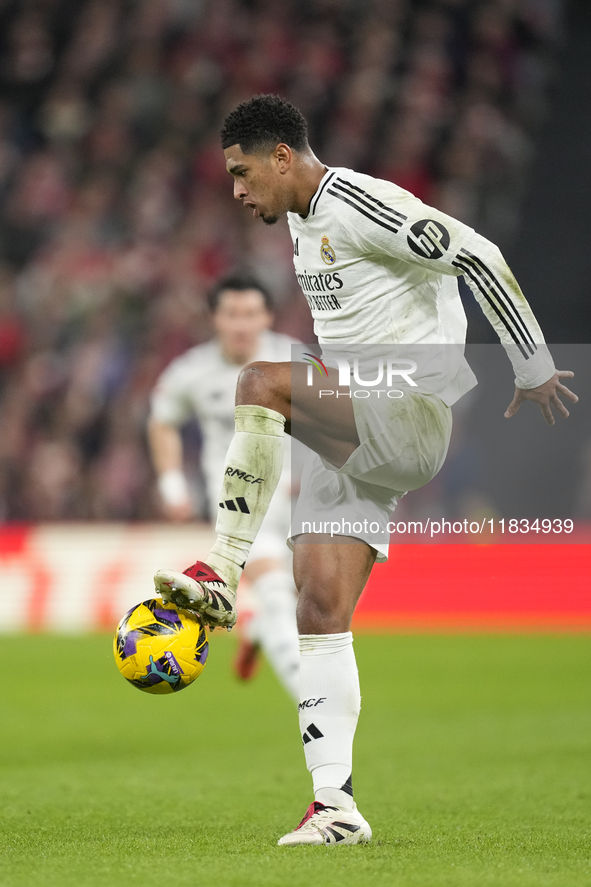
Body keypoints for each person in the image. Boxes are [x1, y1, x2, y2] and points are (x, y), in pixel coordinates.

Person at [154, 95, 578, 846]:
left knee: (260, 380)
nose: (236, 191)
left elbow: (475, 252)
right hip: (350, 426)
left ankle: (218, 570)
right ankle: (335, 808)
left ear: (282, 157)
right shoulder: (296, 219)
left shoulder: (360, 203)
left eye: (242, 173)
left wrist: (532, 366)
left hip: (406, 409)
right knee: (318, 608)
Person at [149, 274, 299, 702]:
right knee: (277, 599)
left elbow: (337, 422)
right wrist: (173, 485)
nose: (241, 324)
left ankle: (254, 629)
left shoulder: (296, 359)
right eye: (231, 314)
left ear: (267, 317)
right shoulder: (192, 370)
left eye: (250, 314)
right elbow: (163, 420)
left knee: (310, 608)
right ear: (215, 318)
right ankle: (315, 710)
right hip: (244, 510)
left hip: (300, 504)